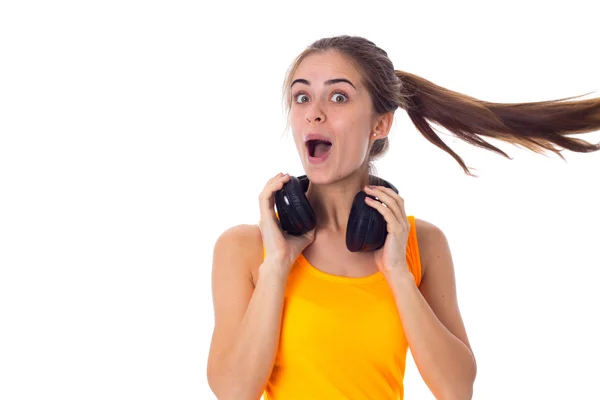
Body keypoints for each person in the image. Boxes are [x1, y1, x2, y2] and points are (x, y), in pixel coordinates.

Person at [206, 35, 600, 400]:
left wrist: (397, 272)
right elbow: (233, 391)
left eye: (339, 97)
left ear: (380, 124)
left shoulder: (420, 243)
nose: (315, 114)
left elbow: (456, 388)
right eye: (302, 97)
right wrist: (276, 265)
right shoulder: (245, 248)